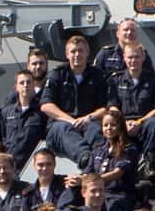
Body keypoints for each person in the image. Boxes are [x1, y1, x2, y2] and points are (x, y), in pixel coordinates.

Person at [40, 33, 112, 167]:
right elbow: (46, 105)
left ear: (87, 53)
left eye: (80, 51)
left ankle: (102, 159)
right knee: (63, 128)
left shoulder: (97, 76)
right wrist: (71, 121)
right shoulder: (57, 74)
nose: (77, 54)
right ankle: (87, 158)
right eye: (73, 51)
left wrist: (88, 118)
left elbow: (104, 108)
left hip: (87, 122)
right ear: (67, 54)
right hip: (60, 129)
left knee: (96, 130)